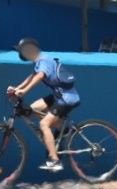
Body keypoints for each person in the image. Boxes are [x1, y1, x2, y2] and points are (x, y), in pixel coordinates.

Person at [7, 37, 80, 172]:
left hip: (66, 99)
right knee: (31, 109)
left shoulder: (44, 60)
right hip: (58, 96)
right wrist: (17, 88)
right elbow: (32, 76)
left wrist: (24, 91)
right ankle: (63, 128)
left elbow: (40, 76)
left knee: (44, 124)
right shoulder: (39, 61)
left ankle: (54, 160)